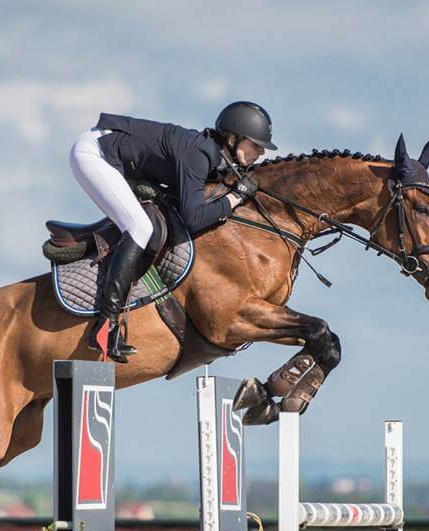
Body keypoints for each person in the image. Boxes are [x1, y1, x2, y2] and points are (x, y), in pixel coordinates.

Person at [69, 100, 277, 362]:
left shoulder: (213, 157)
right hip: (94, 154)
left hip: (117, 158)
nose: (260, 152)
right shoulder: (198, 154)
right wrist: (235, 198)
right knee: (140, 227)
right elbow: (194, 218)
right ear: (233, 137)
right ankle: (106, 325)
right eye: (256, 145)